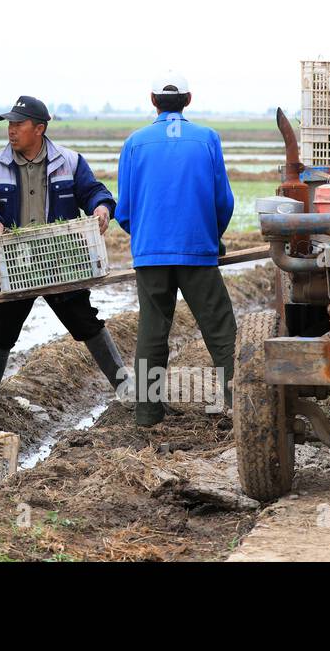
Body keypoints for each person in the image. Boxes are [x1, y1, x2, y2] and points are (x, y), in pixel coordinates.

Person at [0, 95, 126, 411]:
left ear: (39, 129)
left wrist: (102, 210)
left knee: (87, 323)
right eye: (9, 124)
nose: (11, 130)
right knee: (1, 332)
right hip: (16, 263)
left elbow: (95, 193)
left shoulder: (69, 161)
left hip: (60, 263)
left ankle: (126, 388)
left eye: (18, 124)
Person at [114, 73, 236, 427]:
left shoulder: (135, 143)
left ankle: (147, 413)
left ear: (153, 100)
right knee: (220, 330)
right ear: (189, 100)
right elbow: (222, 200)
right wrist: (212, 237)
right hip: (197, 249)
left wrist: (146, 238)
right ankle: (239, 403)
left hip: (151, 253)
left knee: (152, 332)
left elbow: (126, 209)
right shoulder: (207, 139)